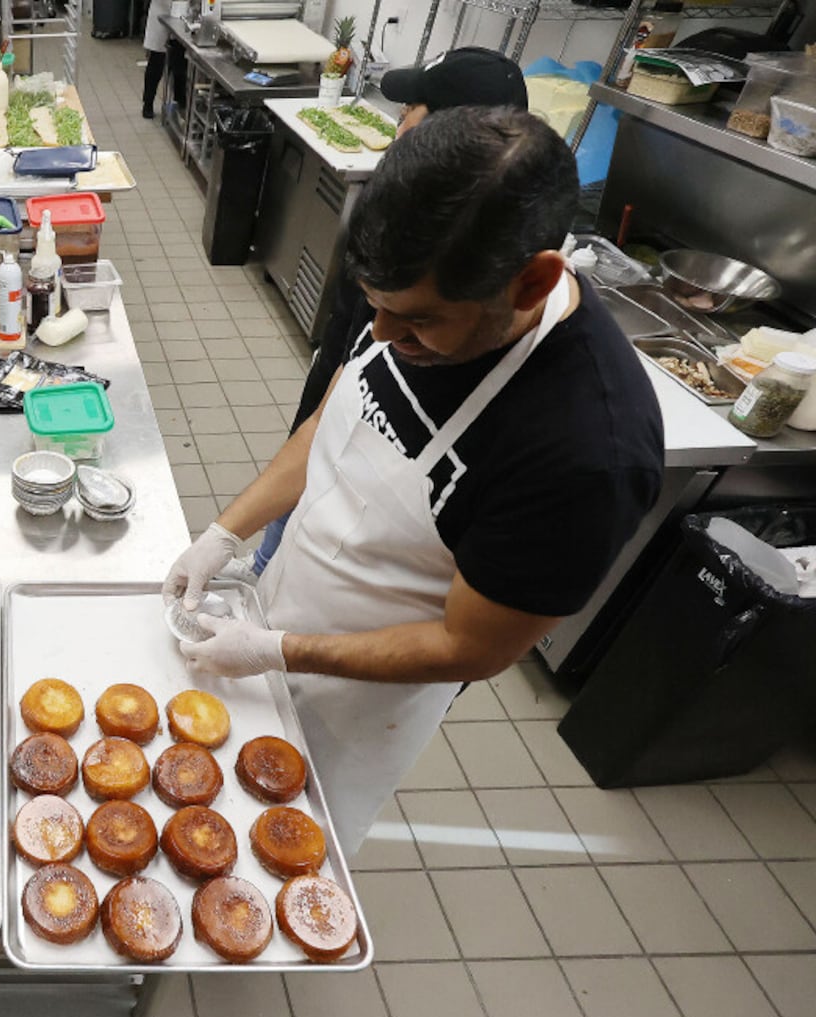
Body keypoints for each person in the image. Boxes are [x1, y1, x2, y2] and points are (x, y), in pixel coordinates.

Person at [163, 108, 664, 855]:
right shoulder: (407, 297)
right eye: (376, 309)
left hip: (360, 699)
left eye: (417, 323)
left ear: (533, 281)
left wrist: (281, 650)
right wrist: (225, 532)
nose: (385, 338)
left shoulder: (583, 454)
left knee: (275, 841)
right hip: (277, 601)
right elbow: (337, 419)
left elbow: (472, 647)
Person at [245, 47, 531, 578]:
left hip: (381, 474)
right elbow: (342, 379)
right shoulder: (397, 197)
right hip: (337, 382)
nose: (399, 120)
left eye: (411, 109)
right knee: (297, 486)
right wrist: (224, 535)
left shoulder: (478, 256)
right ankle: (265, 564)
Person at [141, 0, 188, 120]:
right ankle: (148, 103)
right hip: (161, 10)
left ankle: (180, 101)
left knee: (180, 63)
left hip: (184, 14)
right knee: (156, 62)